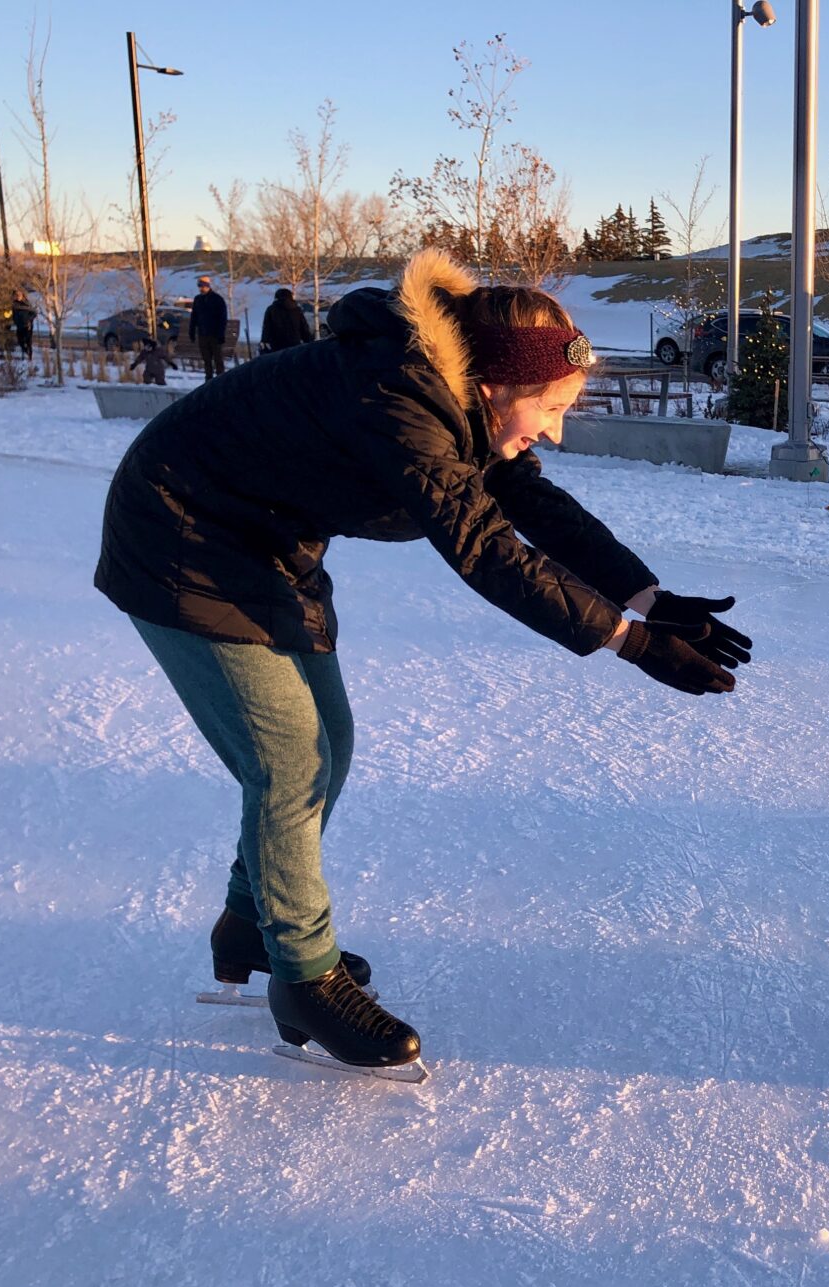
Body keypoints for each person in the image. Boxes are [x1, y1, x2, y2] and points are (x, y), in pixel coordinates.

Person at [94, 248, 753, 1075]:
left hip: (262, 547)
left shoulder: (458, 401)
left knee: (329, 742)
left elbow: (527, 501)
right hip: (178, 539)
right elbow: (482, 548)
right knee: (289, 759)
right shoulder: (402, 402)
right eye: (550, 409)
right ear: (497, 387)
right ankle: (304, 976)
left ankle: (250, 921)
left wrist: (649, 598)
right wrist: (628, 643)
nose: (553, 428)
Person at [188, 275, 229, 378]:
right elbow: (194, 317)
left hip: (214, 335)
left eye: (202, 286)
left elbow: (222, 318)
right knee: (207, 361)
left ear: (207, 286)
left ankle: (220, 381)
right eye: (199, 286)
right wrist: (192, 331)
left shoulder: (217, 299)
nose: (200, 288)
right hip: (203, 334)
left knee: (218, 360)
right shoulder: (198, 299)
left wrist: (220, 334)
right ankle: (208, 380)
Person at [260, 287, 313, 354]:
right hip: (295, 346)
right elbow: (304, 329)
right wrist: (309, 342)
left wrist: (264, 344)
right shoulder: (296, 310)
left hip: (277, 347)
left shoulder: (271, 310)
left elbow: (266, 329)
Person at [10, 292, 36, 360]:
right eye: (17, 295)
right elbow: (13, 314)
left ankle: (30, 357)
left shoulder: (27, 304)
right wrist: (15, 320)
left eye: (19, 295)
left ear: (22, 296)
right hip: (19, 325)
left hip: (27, 326)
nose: (18, 297)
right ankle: (26, 351)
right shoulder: (15, 304)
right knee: (20, 341)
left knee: (28, 342)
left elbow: (34, 313)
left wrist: (29, 320)